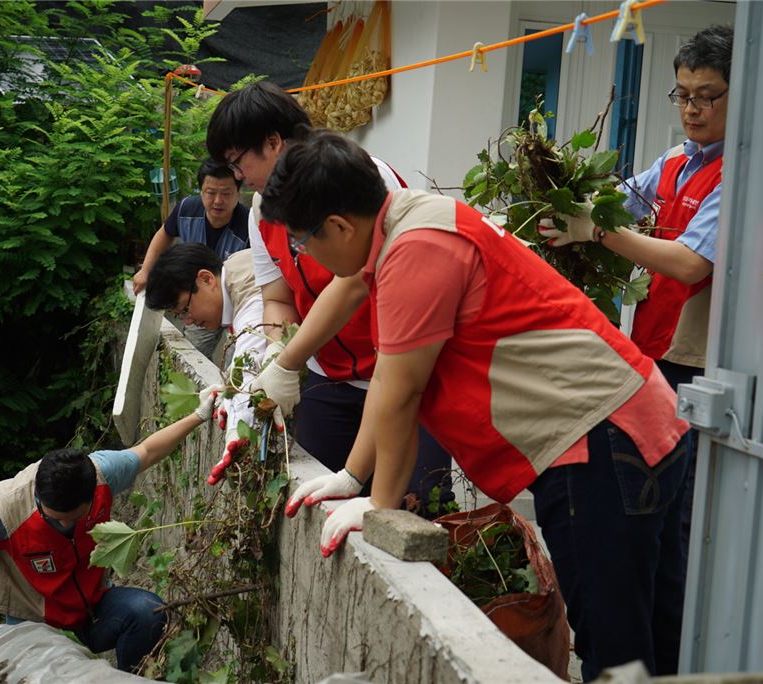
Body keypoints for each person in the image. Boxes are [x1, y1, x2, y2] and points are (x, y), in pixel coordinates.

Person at [264, 129, 691, 680]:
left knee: (618, 649)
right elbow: (391, 380)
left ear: (340, 226)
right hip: (632, 419)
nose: (303, 255)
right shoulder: (410, 219)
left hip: (599, 440)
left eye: (301, 241)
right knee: (655, 635)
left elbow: (400, 392)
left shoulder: (416, 251)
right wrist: (352, 476)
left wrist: (379, 506)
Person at [205, 81, 455, 515]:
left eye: (238, 161)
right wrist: (276, 352)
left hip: (402, 367)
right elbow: (277, 297)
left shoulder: (355, 177)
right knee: (316, 500)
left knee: (417, 508)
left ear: (273, 142)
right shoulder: (262, 212)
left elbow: (357, 279)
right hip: (328, 377)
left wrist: (288, 361)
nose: (237, 177)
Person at [538, 24, 733, 558]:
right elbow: (621, 201)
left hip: (699, 364)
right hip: (651, 349)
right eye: (682, 95)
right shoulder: (674, 161)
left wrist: (595, 231)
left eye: (706, 97)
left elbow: (691, 264)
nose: (691, 109)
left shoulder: (737, 174)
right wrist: (562, 199)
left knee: (683, 514)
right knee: (652, 498)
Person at [0, 386, 221, 674]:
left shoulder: (101, 473)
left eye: (74, 518)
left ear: (92, 495)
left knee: (148, 613)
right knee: (29, 674)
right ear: (38, 497)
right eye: (54, 518)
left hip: (90, 604)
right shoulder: (7, 507)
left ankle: (127, 679)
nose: (64, 525)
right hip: (31, 615)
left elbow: (146, 451)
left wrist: (199, 414)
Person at [144, 243, 269, 482]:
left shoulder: (251, 298)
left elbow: (250, 363)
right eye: (180, 316)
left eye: (185, 309)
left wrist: (235, 434)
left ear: (206, 279)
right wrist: (228, 388)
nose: (188, 322)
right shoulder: (234, 270)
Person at [134, 158, 250, 359]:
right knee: (192, 354)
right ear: (201, 191)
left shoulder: (250, 225)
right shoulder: (186, 209)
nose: (218, 201)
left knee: (239, 358)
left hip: (238, 305)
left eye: (226, 193)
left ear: (238, 193)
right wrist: (146, 270)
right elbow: (165, 233)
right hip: (199, 303)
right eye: (211, 192)